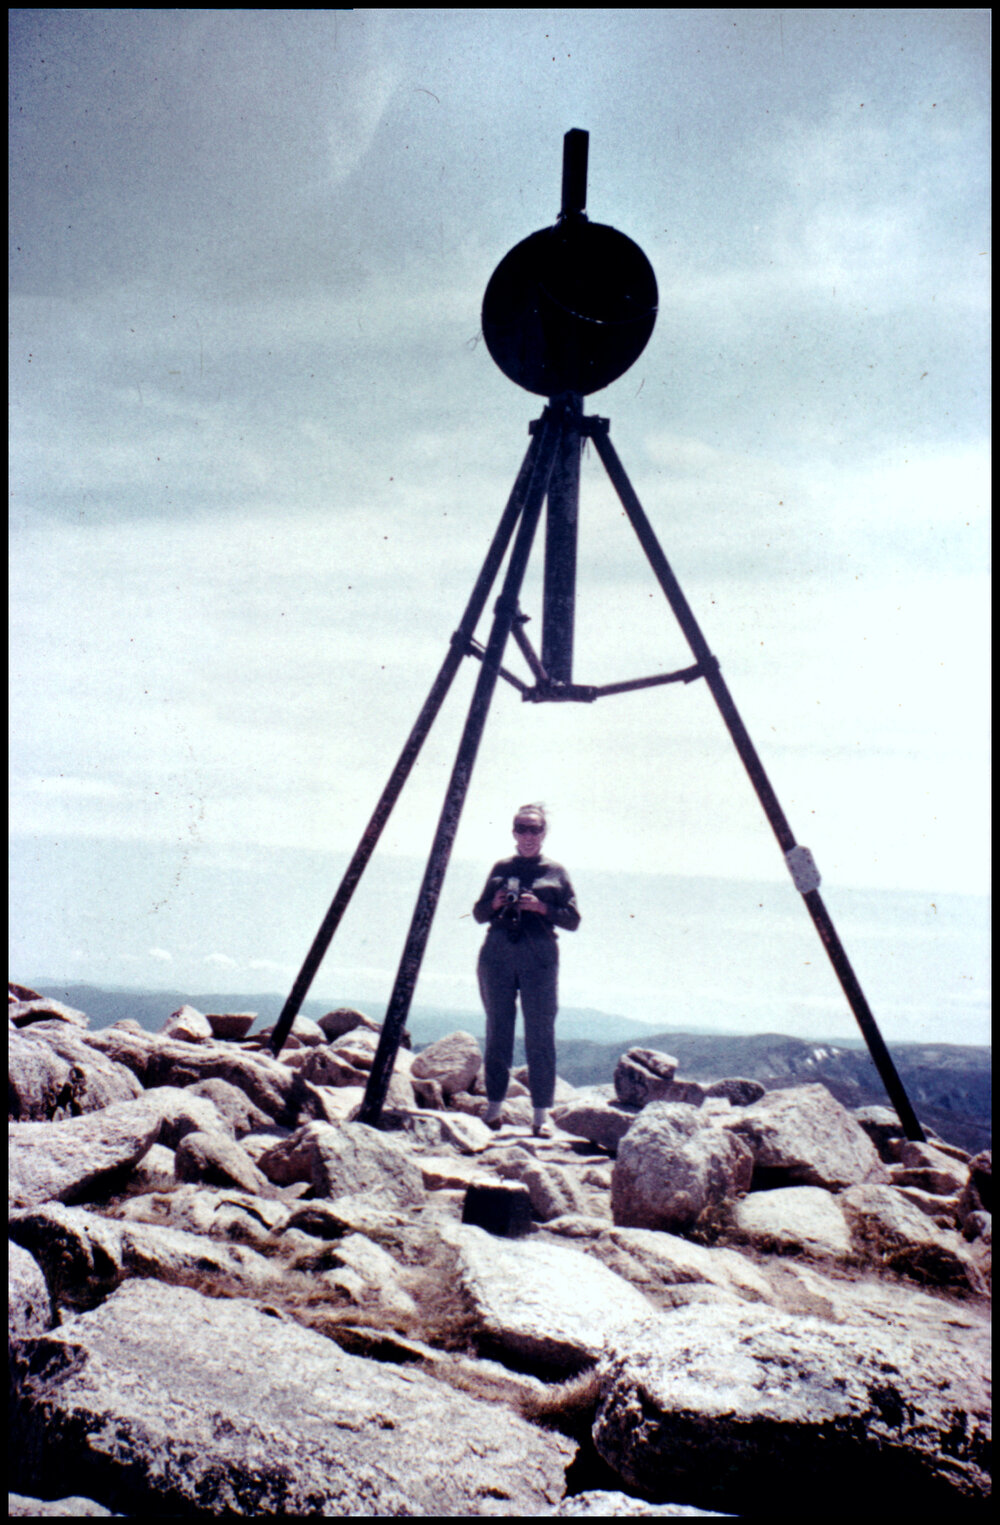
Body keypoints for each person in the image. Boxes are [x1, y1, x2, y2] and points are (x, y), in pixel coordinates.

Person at [472, 803, 580, 1137]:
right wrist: (495, 903)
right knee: (497, 1030)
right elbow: (477, 914)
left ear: (544, 832)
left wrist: (542, 907)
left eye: (535, 829)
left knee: (540, 1033)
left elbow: (573, 920)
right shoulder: (501, 868)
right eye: (522, 828)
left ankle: (540, 1116)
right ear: (514, 832)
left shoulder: (556, 872)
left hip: (539, 957)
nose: (528, 835)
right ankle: (493, 1109)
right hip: (498, 952)